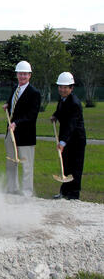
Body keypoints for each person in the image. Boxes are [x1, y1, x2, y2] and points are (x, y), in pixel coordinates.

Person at [2, 61, 41, 197]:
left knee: (26, 165)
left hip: (25, 134)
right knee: (11, 163)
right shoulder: (15, 88)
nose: (22, 76)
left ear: (29, 75)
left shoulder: (34, 93)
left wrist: (16, 123)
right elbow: (14, 103)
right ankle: (12, 189)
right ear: (17, 74)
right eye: (20, 74)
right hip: (11, 133)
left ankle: (27, 192)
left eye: (25, 74)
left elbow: (32, 115)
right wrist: (8, 104)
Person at [51, 72, 86, 200]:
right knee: (65, 164)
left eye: (65, 87)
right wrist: (55, 116)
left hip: (76, 139)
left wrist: (63, 142)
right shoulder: (62, 99)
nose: (62, 89)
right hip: (65, 137)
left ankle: (74, 194)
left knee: (75, 167)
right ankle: (64, 192)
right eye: (60, 87)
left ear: (71, 88)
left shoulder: (75, 103)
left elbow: (72, 125)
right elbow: (60, 111)